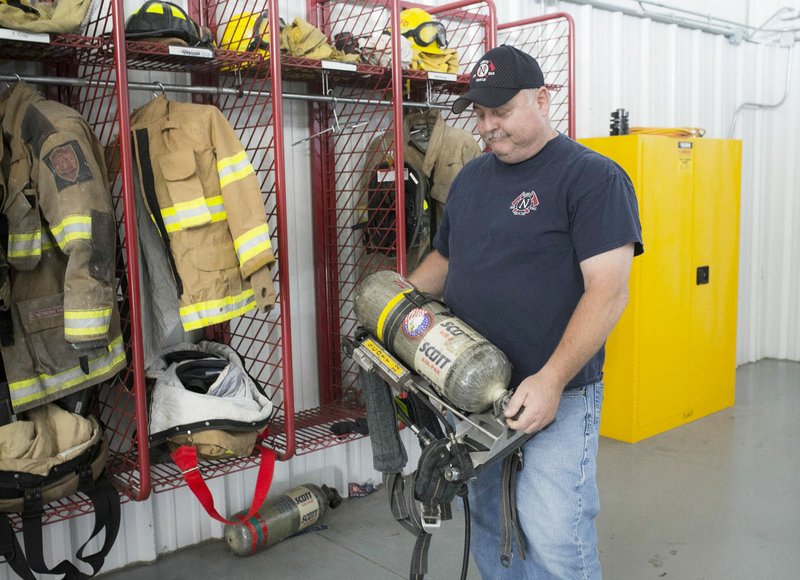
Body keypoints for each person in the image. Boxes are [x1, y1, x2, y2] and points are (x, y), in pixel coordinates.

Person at [408, 45, 644, 579]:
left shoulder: (593, 178)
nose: (489, 126)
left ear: (542, 98)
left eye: (503, 111)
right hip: (468, 393)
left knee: (555, 535)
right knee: (489, 523)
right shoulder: (470, 179)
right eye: (481, 113)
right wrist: (394, 309)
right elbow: (446, 259)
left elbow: (608, 291)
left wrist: (552, 380)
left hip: (555, 392)